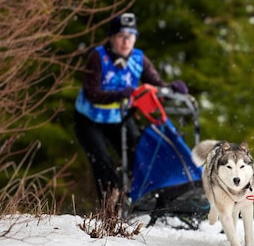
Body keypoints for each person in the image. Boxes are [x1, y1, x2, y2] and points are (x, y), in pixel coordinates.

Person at [74, 12, 188, 208]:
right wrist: (121, 94)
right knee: (103, 162)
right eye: (121, 36)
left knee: (140, 155)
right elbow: (92, 93)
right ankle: (110, 210)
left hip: (119, 118)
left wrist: (172, 89)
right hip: (89, 120)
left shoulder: (139, 59)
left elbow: (156, 86)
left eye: (131, 35)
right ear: (111, 38)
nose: (126, 41)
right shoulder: (98, 57)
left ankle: (146, 200)